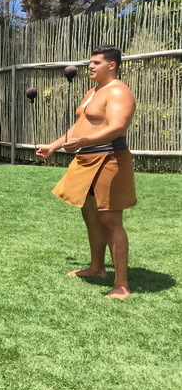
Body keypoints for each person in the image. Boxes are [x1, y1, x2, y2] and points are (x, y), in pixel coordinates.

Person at [36, 45, 137, 300]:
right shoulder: (93, 92)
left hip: (109, 159)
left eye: (96, 62)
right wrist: (54, 146)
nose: (90, 66)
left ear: (111, 65)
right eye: (90, 62)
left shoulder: (118, 91)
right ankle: (97, 268)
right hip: (86, 161)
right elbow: (79, 125)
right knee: (91, 217)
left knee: (111, 222)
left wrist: (82, 142)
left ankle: (122, 285)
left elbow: (118, 127)